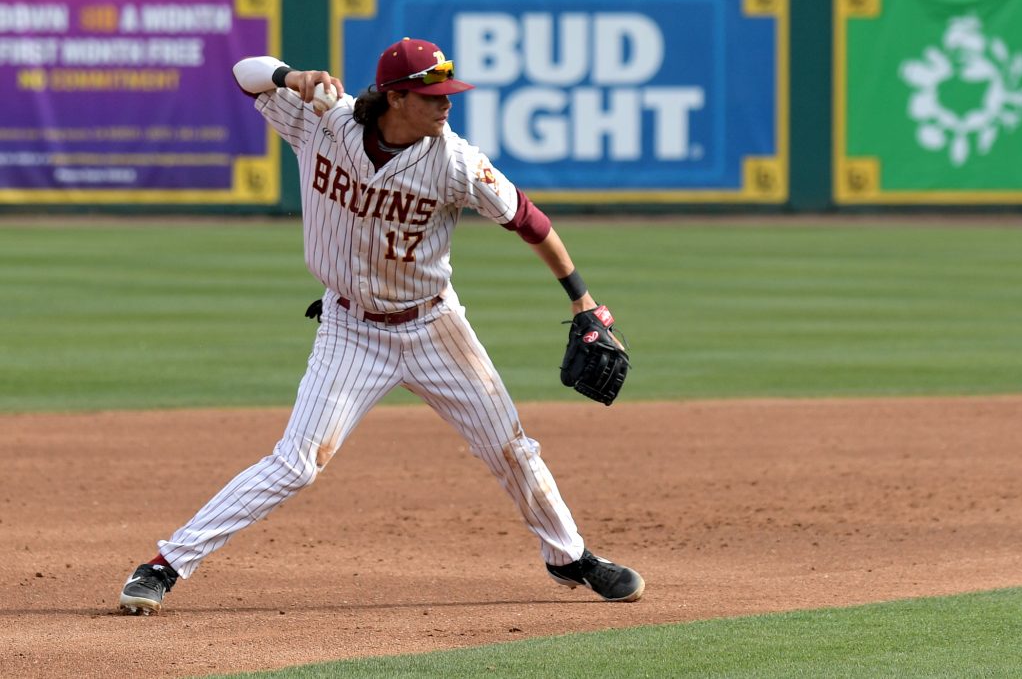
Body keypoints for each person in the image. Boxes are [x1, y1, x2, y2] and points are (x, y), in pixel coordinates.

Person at [118, 37, 644, 614]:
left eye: (448, 93)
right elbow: (246, 71)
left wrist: (582, 300)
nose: (447, 104)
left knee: (511, 448)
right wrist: (290, 76)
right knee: (296, 463)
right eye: (433, 94)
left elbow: (529, 220)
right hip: (351, 330)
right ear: (395, 98)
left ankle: (568, 556)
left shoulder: (455, 161)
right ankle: (165, 563)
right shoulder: (324, 121)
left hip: (435, 328)